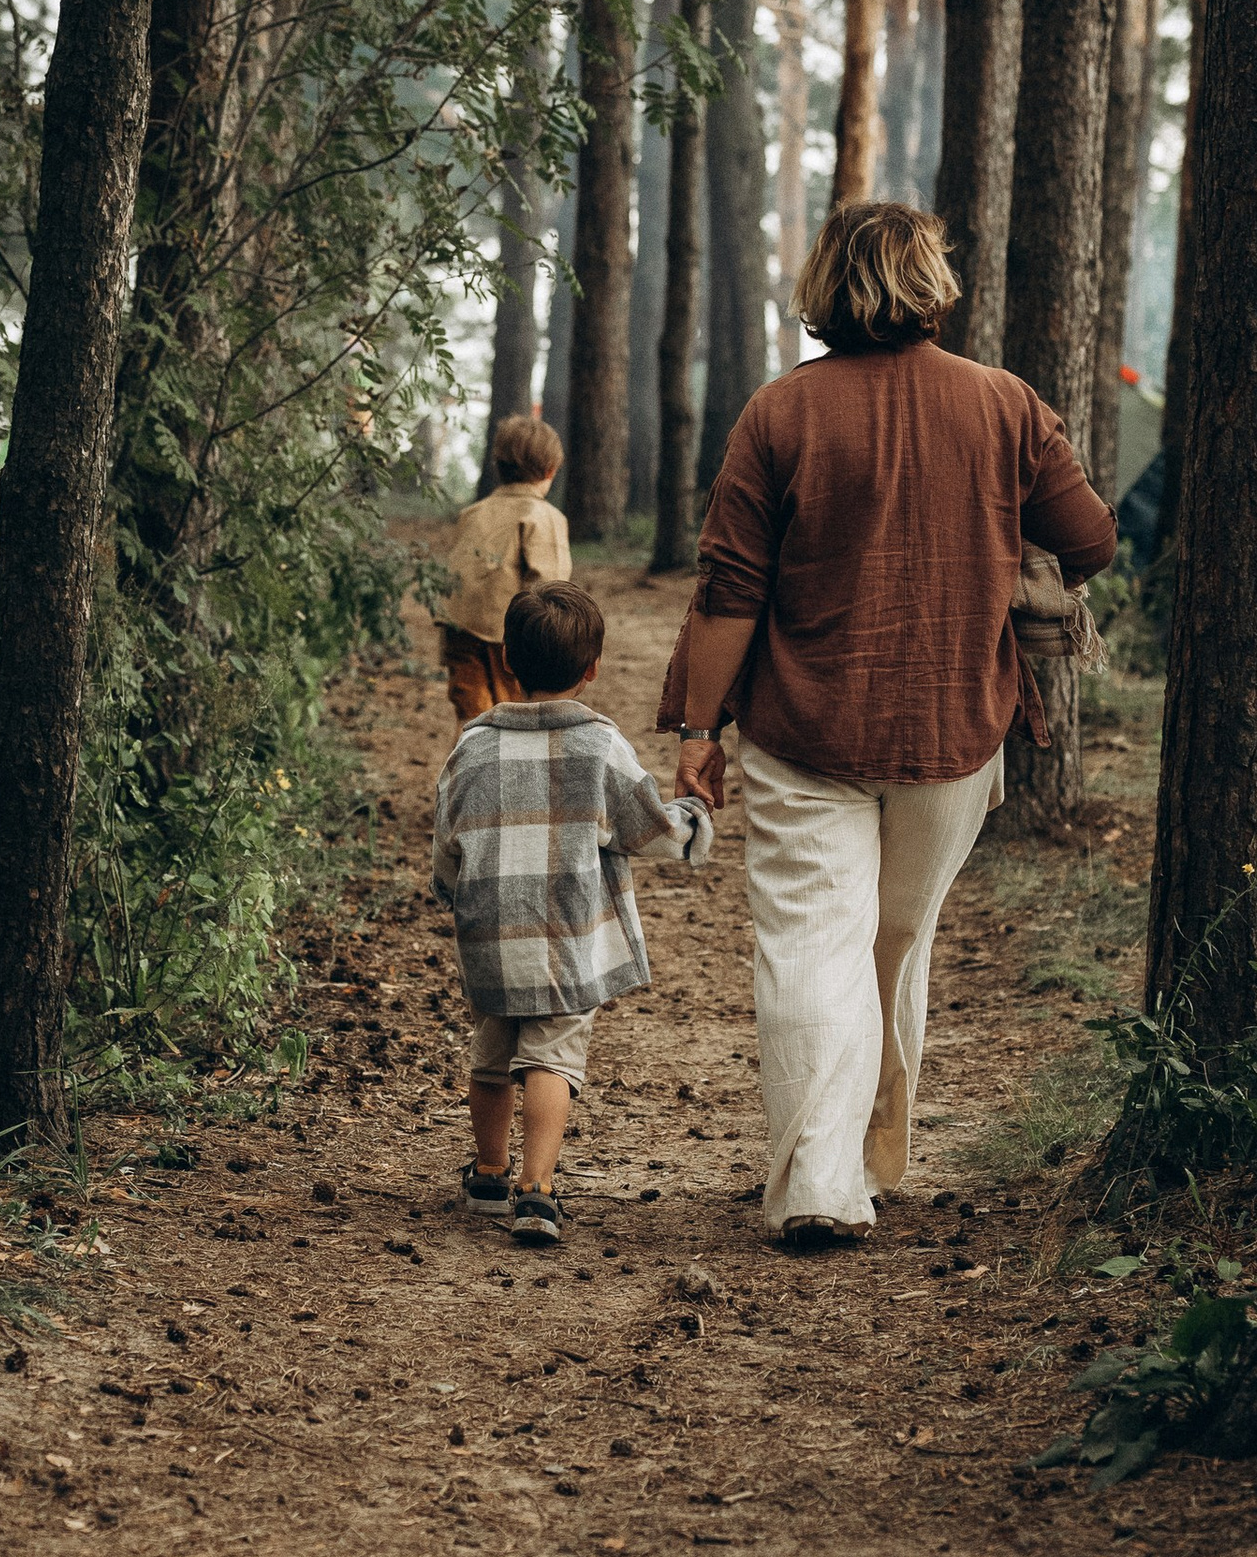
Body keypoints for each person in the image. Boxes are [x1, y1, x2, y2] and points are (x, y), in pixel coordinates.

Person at [658, 197, 1116, 1252]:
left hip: (800, 726)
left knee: (814, 944)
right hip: (952, 728)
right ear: (933, 286)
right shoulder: (1003, 404)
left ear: (825, 284)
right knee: (891, 944)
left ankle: (821, 1181)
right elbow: (1087, 539)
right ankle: (867, 1154)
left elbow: (728, 594)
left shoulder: (776, 415)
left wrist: (696, 733)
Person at [434, 578, 714, 1247]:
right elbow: (640, 824)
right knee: (552, 1059)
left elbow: (449, 833)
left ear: (507, 659)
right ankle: (536, 1189)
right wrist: (691, 820)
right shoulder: (600, 745)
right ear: (592, 670)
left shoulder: (472, 744)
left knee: (491, 1053)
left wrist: (450, 889)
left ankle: (488, 1173)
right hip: (565, 936)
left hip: (491, 934)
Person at [437, 411, 573, 726]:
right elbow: (549, 589)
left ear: (497, 466)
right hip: (510, 644)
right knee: (514, 722)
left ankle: (467, 774)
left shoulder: (472, 513)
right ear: (550, 471)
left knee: (472, 722)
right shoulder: (545, 517)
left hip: (460, 632)